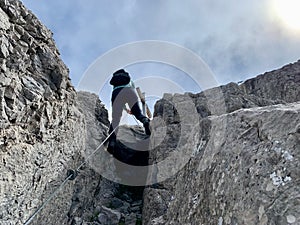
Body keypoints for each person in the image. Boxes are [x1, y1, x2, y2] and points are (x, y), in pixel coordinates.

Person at [107, 69, 151, 153]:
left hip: (116, 92)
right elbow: (131, 91)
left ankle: (112, 142)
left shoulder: (115, 81)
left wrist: (126, 109)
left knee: (116, 119)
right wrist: (132, 110)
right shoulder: (129, 80)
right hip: (130, 92)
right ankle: (145, 121)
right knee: (138, 114)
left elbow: (119, 98)